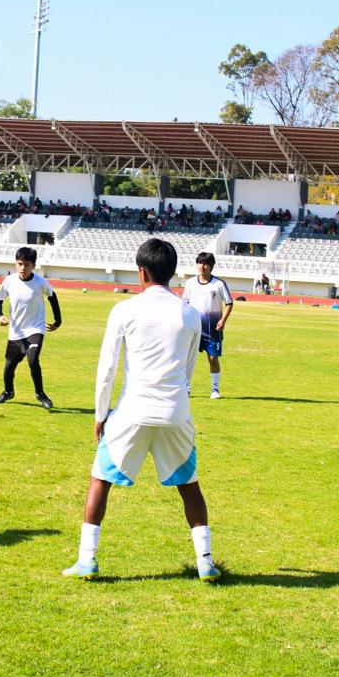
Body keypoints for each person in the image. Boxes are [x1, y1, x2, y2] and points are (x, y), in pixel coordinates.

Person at [62, 238, 220, 583]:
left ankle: (87, 559)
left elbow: (107, 369)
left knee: (100, 480)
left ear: (141, 272)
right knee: (189, 485)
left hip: (132, 410)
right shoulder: (189, 313)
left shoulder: (125, 310)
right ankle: (205, 561)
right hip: (176, 411)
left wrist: (100, 415)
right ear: (173, 272)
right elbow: (189, 368)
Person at [0, 247, 62, 410]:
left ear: (34, 265)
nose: (23, 268)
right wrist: (0, 316)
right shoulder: (9, 281)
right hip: (16, 333)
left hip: (35, 329)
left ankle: (40, 394)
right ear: (16, 263)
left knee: (32, 360)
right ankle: (8, 392)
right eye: (20, 264)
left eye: (27, 265)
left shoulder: (40, 282)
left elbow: (52, 297)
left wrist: (58, 321)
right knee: (8, 368)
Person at [182, 252, 233, 399]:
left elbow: (229, 303)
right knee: (187, 358)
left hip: (212, 329)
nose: (201, 266)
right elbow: (184, 303)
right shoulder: (190, 283)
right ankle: (186, 387)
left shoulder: (218, 284)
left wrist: (223, 320)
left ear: (211, 266)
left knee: (213, 359)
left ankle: (215, 389)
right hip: (193, 328)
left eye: (205, 264)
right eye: (199, 263)